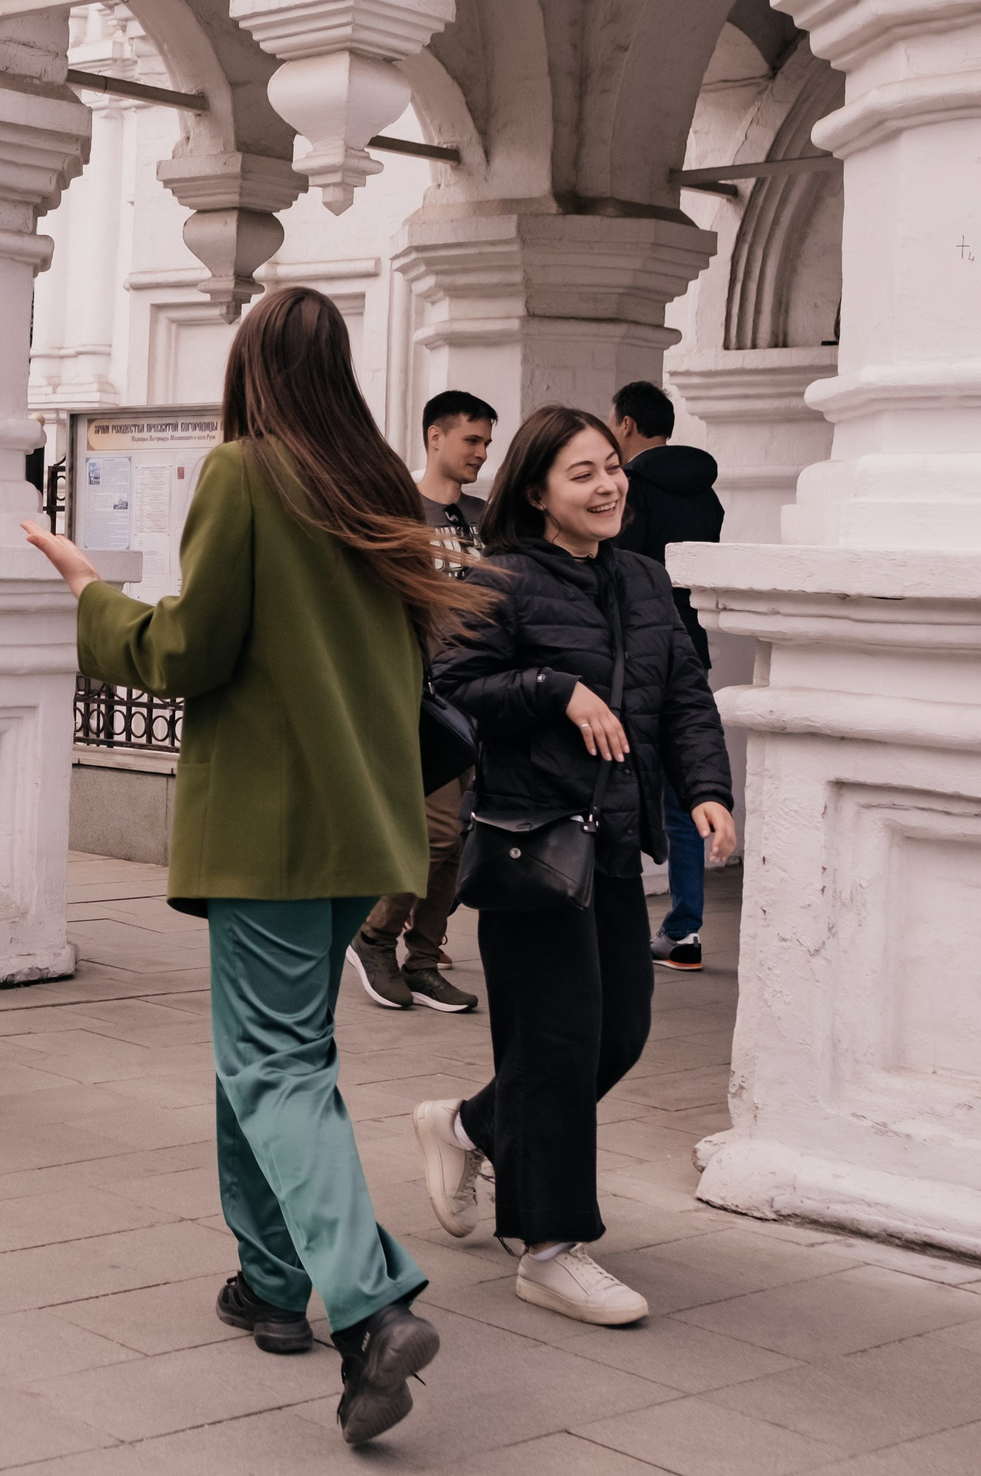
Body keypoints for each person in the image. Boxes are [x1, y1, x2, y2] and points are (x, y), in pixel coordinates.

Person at [23, 288, 484, 1446]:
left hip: (272, 831)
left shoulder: (245, 473)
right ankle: (271, 1284)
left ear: (251, 367)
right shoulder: (378, 486)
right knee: (276, 1053)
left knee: (271, 1062)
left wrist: (89, 594)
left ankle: (369, 1305)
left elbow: (185, 650)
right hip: (356, 827)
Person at [414, 405, 734, 1331]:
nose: (607, 486)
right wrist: (556, 688)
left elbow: (684, 698)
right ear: (538, 491)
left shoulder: (643, 579)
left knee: (618, 1034)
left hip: (610, 845)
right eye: (582, 474)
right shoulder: (502, 578)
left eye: (611, 468)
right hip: (530, 839)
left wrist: (705, 789)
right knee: (556, 1045)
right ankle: (551, 1248)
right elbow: (454, 686)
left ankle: (471, 1124)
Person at [345, 389, 496, 1016]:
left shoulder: (487, 517)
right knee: (435, 834)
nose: (482, 455)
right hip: (418, 700)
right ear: (436, 435)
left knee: (462, 843)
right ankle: (374, 935)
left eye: (487, 443)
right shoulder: (399, 512)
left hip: (481, 698)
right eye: (472, 441)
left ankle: (427, 960)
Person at [611, 379, 727, 972]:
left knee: (617, 789)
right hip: (690, 653)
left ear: (626, 424)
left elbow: (621, 575)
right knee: (685, 801)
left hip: (635, 656)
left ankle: (610, 921)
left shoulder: (629, 489)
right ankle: (684, 933)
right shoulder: (707, 495)